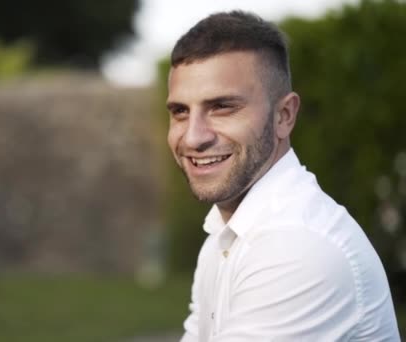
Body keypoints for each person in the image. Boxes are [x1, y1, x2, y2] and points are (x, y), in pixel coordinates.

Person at [165, 11, 399, 341]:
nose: (193, 137)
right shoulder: (227, 235)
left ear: (284, 116)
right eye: (180, 112)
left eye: (222, 107)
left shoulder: (299, 247)